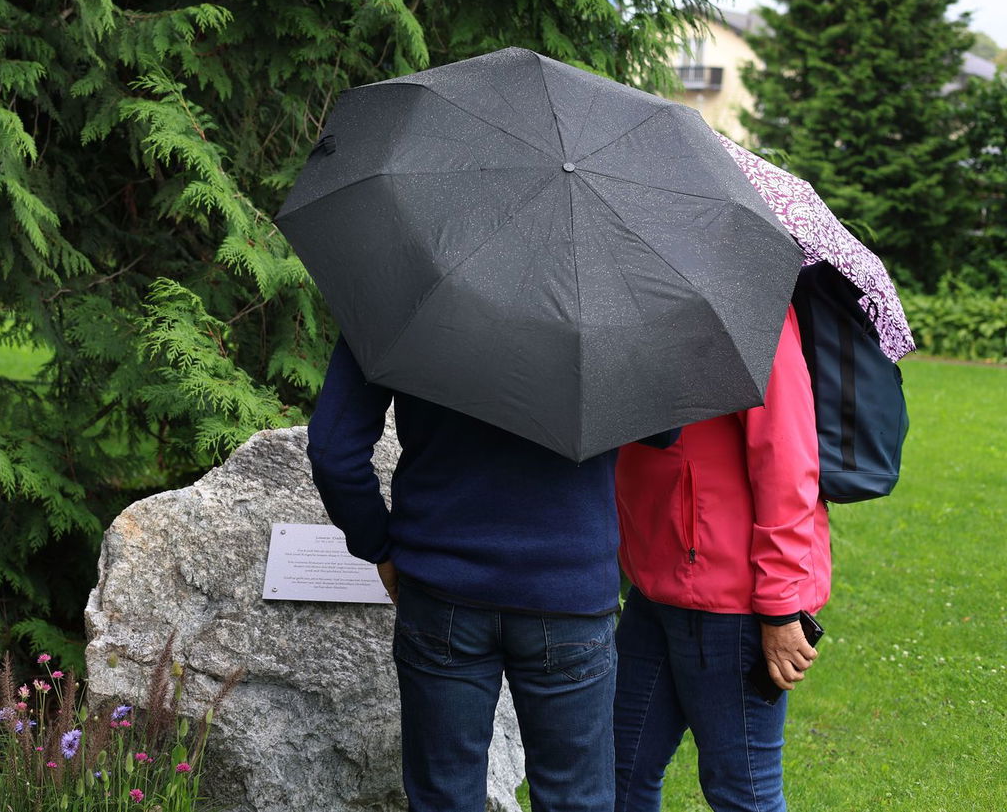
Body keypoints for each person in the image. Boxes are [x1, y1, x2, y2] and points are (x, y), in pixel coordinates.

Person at [307, 338, 678, 812]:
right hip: (569, 590)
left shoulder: (405, 284)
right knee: (576, 800)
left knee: (444, 796)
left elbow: (333, 450)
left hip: (441, 585)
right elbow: (663, 432)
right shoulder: (606, 303)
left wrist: (378, 544)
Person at [613, 304, 828, 811]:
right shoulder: (637, 301)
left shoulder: (749, 309)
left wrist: (778, 604)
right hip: (655, 583)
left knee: (742, 792)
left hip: (732, 598)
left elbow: (788, 459)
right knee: (618, 772)